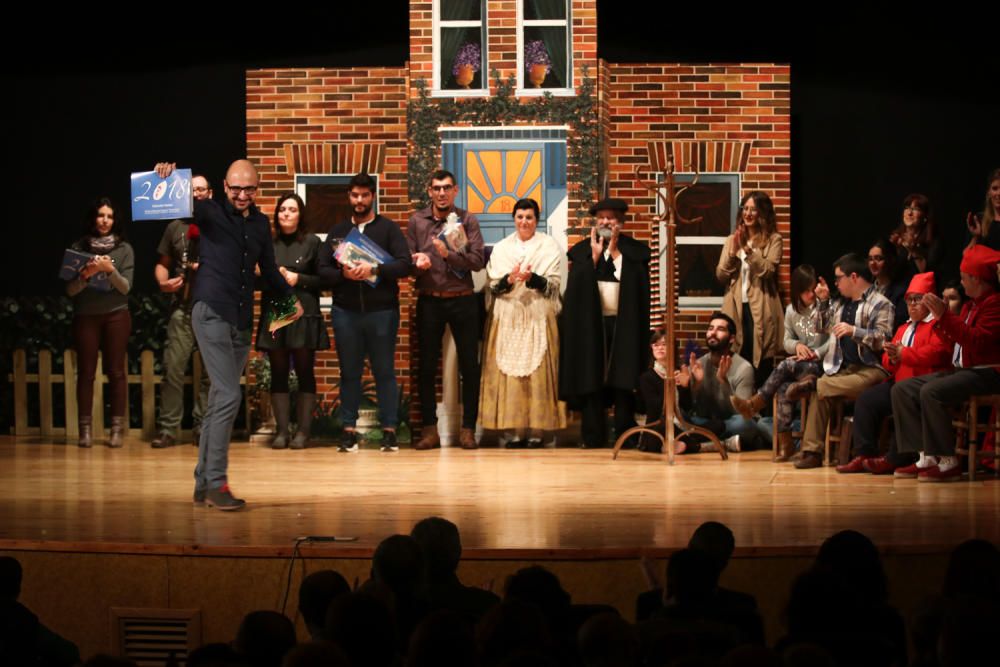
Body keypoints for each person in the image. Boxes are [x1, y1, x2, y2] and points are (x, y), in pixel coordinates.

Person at [154, 160, 303, 511]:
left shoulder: (261, 224)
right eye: (235, 188)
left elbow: (267, 269)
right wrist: (169, 176)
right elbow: (177, 201)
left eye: (248, 189)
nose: (241, 195)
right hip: (209, 310)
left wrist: (290, 298)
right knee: (227, 394)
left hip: (239, 316)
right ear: (224, 186)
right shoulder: (208, 212)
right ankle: (217, 483)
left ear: (257, 188)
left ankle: (203, 482)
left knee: (220, 400)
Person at [890, 244, 1000, 481]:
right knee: (902, 389)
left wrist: (944, 316)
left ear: (977, 278)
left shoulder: (994, 304)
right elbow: (957, 341)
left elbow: (978, 341)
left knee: (932, 391)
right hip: (966, 370)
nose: (962, 283)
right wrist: (943, 321)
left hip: (988, 372)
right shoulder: (971, 305)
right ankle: (924, 456)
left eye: (964, 278)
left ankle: (947, 461)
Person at [317, 173, 411, 453]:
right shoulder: (337, 232)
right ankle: (348, 431)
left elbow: (405, 265)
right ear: (349, 196)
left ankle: (390, 431)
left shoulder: (389, 229)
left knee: (384, 372)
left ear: (373, 196)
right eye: (355, 195)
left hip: (382, 312)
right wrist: (342, 274)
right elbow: (322, 271)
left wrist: (375, 269)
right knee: (349, 373)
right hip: (345, 312)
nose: (359, 200)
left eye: (365, 195)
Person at [836, 271, 951, 474]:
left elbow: (938, 353)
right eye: (909, 300)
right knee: (867, 399)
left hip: (923, 382)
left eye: (918, 299)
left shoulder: (937, 325)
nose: (912, 305)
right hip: (900, 380)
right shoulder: (904, 327)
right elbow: (888, 361)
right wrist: (893, 357)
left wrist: (904, 354)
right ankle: (865, 453)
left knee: (902, 396)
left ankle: (896, 457)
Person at [560, 198, 650, 448]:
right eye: (601, 218)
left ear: (620, 221)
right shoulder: (581, 252)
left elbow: (638, 285)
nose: (605, 222)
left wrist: (615, 254)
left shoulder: (634, 252)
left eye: (610, 217)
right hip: (592, 327)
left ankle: (624, 436)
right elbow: (576, 288)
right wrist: (595, 259)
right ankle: (592, 437)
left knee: (623, 380)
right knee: (592, 378)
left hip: (624, 327)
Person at [792, 253, 894, 469]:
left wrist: (854, 331)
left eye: (839, 278)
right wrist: (823, 301)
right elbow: (820, 327)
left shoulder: (880, 304)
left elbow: (884, 339)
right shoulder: (840, 304)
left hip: (872, 371)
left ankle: (814, 382)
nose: (836, 283)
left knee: (821, 385)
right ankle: (812, 452)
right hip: (844, 369)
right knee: (822, 392)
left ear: (854, 277)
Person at [407, 170, 485, 450]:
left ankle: (467, 430)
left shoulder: (468, 220)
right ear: (429, 191)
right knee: (427, 366)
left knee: (470, 366)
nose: (442, 193)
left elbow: (477, 261)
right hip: (429, 299)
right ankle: (430, 430)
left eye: (447, 188)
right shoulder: (417, 221)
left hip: (463, 299)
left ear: (455, 191)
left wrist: (447, 255)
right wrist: (416, 263)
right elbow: (407, 262)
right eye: (437, 188)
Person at [480, 198, 566, 447]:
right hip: (508, 315)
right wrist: (509, 278)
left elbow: (553, 286)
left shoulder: (548, 246)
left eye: (529, 217)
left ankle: (537, 432)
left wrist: (532, 278)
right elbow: (493, 286)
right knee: (510, 378)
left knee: (537, 375)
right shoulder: (503, 248)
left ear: (536, 220)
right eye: (520, 217)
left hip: (537, 313)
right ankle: (513, 432)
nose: (524, 222)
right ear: (514, 219)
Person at [731, 264, 831, 461]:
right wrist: (796, 347)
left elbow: (831, 341)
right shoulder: (792, 310)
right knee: (783, 388)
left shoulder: (826, 307)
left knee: (785, 365)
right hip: (800, 366)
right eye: (806, 291)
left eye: (813, 290)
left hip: (821, 365)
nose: (811, 294)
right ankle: (787, 446)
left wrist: (813, 353)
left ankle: (756, 403)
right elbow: (785, 341)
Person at [256, 193, 329, 450]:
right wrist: (271, 277)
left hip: (303, 311)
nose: (286, 214)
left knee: (304, 369)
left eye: (292, 209)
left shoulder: (312, 242)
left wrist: (299, 279)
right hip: (276, 311)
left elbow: (324, 280)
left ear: (301, 215)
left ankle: (303, 433)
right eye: (282, 210)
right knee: (278, 371)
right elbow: (255, 281)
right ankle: (282, 431)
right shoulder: (267, 243)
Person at [66, 197, 134, 448]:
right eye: (100, 215)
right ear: (93, 218)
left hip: (116, 313)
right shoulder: (79, 247)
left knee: (116, 372)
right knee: (85, 373)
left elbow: (126, 288)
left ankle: (116, 430)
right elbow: (71, 290)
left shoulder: (124, 249)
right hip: (86, 315)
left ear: (115, 221)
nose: (105, 220)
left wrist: (109, 269)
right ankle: (85, 431)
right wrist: (86, 274)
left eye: (109, 216)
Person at [152, 174, 213, 449]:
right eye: (192, 190)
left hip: (212, 309)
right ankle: (168, 429)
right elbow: (162, 263)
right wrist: (163, 283)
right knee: (173, 369)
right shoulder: (175, 227)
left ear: (210, 194)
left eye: (201, 189)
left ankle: (202, 427)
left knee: (210, 374)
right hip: (182, 307)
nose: (197, 193)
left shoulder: (220, 224)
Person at [673, 312, 771, 452]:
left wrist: (723, 381)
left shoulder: (744, 368)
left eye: (720, 329)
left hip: (729, 423)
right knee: (678, 416)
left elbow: (742, 412)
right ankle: (725, 443)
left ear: (731, 339)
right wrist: (695, 385)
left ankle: (699, 443)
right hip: (705, 421)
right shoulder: (698, 364)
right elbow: (694, 410)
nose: (713, 333)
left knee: (745, 424)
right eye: (711, 328)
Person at [716, 190, 784, 387]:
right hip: (735, 305)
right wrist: (732, 253)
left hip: (761, 306)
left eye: (753, 210)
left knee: (760, 355)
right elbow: (721, 275)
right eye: (745, 209)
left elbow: (769, 270)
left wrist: (747, 251)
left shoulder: (773, 240)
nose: (748, 213)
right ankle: (737, 404)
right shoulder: (731, 240)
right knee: (736, 353)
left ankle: (760, 410)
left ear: (763, 213)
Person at [889, 192, 943, 282]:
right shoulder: (896, 238)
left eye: (915, 209)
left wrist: (913, 250)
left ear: (925, 216)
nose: (909, 213)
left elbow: (927, 274)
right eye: (907, 208)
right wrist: (892, 250)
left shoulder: (933, 241)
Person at [868, 238, 908, 329]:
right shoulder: (867, 290)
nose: (873, 263)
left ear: (890, 260)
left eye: (878, 259)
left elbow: (899, 325)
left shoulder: (901, 292)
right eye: (870, 259)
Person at [965, 168, 1000, 250]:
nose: (999, 193)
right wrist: (976, 237)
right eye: (995, 188)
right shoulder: (979, 220)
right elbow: (966, 256)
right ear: (989, 192)